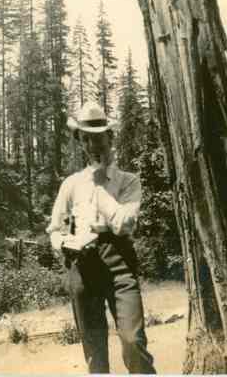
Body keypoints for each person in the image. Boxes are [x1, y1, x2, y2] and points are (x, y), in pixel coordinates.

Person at [46, 102, 156, 374]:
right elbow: (55, 229)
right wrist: (63, 244)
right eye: (85, 139)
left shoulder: (128, 181)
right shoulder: (71, 184)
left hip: (119, 265)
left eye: (97, 138)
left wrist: (98, 184)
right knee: (95, 356)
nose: (92, 145)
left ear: (110, 137)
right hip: (82, 268)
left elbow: (123, 224)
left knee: (133, 342)